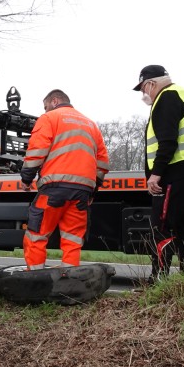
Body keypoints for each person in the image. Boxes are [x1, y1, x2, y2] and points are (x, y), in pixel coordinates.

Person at [133, 65, 184, 279]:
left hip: (178, 170)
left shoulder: (166, 98)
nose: (144, 95)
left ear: (151, 83)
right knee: (183, 225)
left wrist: (156, 174)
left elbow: (168, 141)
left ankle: (157, 279)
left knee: (161, 225)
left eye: (143, 89)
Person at [20, 89, 109, 270]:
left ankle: (35, 280)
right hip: (82, 191)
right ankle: (70, 279)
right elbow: (102, 163)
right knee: (73, 238)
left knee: (37, 234)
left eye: (46, 107)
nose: (45, 111)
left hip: (55, 187)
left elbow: (37, 151)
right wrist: (94, 189)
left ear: (54, 101)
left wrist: (26, 179)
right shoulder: (91, 124)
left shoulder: (50, 118)